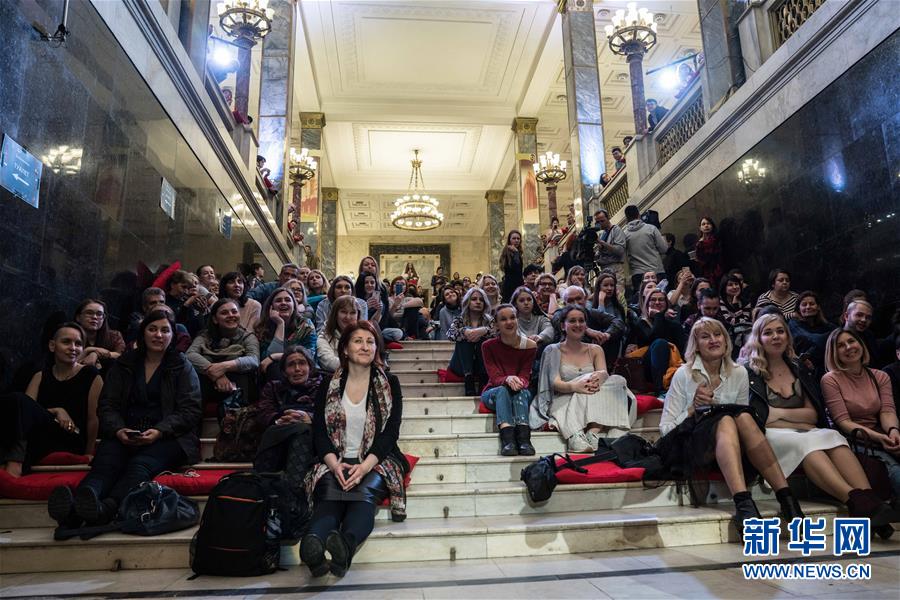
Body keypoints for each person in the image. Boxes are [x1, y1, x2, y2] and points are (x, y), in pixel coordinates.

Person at [46, 310, 201, 527]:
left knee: (139, 465)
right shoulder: (125, 364)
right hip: (125, 431)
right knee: (105, 463)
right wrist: (118, 430)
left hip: (170, 437)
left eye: (165, 330)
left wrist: (159, 431)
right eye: (152, 329)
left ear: (172, 335)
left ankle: (105, 509)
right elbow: (107, 404)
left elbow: (190, 410)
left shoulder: (181, 365)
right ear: (142, 334)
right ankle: (77, 505)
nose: (159, 335)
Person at [743, 314, 900, 528]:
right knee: (808, 445)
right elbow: (761, 418)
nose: (776, 337)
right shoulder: (747, 371)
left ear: (788, 336)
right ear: (758, 338)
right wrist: (794, 420)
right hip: (768, 436)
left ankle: (869, 500)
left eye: (780, 331)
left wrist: (778, 414)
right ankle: (857, 501)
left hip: (798, 430)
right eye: (768, 333)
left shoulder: (797, 367)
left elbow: (811, 415)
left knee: (832, 436)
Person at [657, 318, 803, 533]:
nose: (713, 340)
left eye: (718, 335)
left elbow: (744, 423)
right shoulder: (683, 374)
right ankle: (743, 502)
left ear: (726, 341)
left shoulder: (739, 372)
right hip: (691, 447)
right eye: (705, 336)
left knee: (742, 416)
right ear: (696, 345)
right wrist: (691, 409)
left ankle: (787, 500)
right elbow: (666, 428)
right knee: (726, 418)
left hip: (731, 448)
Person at [300, 322, 408, 577]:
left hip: (375, 459)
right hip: (333, 458)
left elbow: (390, 434)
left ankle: (344, 545)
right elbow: (319, 432)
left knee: (363, 495)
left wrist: (363, 467)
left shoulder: (389, 383)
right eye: (358, 340)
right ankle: (313, 544)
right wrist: (335, 465)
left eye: (370, 341)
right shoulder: (328, 384)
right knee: (329, 496)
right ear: (345, 349)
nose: (365, 346)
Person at [1, 323, 102, 477]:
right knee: (13, 402)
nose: (73, 347)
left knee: (17, 399)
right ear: (52, 346)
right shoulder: (40, 376)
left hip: (72, 436)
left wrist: (88, 453)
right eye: (66, 342)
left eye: (78, 344)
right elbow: (24, 413)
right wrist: (57, 411)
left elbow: (93, 419)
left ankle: (14, 467)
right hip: (44, 436)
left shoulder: (91, 375)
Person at [532, 305, 632, 452]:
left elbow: (603, 375)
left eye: (581, 321)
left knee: (618, 380)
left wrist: (602, 375)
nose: (578, 325)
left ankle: (593, 432)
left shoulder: (595, 349)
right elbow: (555, 383)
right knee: (587, 385)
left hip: (592, 394)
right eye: (572, 321)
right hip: (564, 397)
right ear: (563, 325)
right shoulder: (552, 350)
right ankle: (574, 434)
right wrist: (575, 386)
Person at [822, 329, 900, 498]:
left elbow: (887, 410)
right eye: (841, 345)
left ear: (861, 345)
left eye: (852, 341)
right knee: (895, 473)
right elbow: (844, 422)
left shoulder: (880, 376)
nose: (849, 347)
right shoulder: (830, 379)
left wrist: (893, 431)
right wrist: (879, 438)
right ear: (834, 352)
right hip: (853, 439)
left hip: (881, 434)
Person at [481, 304, 538, 456]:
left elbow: (525, 376)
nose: (509, 322)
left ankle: (524, 439)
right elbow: (494, 378)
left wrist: (517, 382)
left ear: (517, 319)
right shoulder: (488, 346)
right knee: (502, 390)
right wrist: (508, 378)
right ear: (496, 324)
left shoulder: (530, 345)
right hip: (494, 392)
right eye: (503, 319)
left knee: (520, 392)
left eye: (512, 317)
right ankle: (508, 440)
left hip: (520, 390)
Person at [186, 298, 260, 408]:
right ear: (215, 319)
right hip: (208, 382)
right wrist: (216, 373)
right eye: (224, 313)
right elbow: (189, 355)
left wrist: (224, 366)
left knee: (243, 372)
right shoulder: (205, 336)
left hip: (237, 384)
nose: (231, 315)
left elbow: (253, 360)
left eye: (234, 311)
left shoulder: (247, 336)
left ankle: (236, 420)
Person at [625, 289, 686, 392]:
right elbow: (651, 339)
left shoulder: (675, 326)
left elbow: (680, 349)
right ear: (647, 303)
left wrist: (659, 316)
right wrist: (658, 316)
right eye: (653, 300)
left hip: (671, 365)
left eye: (661, 300)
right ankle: (660, 390)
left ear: (666, 304)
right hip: (647, 368)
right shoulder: (641, 324)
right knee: (660, 343)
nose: (657, 302)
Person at [551, 286, 626, 366]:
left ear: (585, 299)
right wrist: (587, 330)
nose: (575, 303)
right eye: (570, 300)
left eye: (578, 299)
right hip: (567, 360)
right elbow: (557, 320)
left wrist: (606, 335)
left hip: (594, 359)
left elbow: (618, 322)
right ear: (565, 303)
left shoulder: (592, 313)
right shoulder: (560, 313)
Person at [256, 287, 317, 381]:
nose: (283, 303)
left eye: (288, 300)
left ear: (294, 305)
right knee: (274, 366)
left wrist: (276, 356)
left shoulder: (305, 325)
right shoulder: (263, 328)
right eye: (278, 300)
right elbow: (266, 358)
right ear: (271, 307)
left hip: (303, 369)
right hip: (274, 372)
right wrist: (280, 324)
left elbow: (309, 355)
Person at [447, 288, 495, 396]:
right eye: (474, 299)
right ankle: (468, 380)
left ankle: (483, 379)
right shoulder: (460, 319)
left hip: (482, 365)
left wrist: (484, 330)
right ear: (468, 302)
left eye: (481, 300)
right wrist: (465, 331)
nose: (478, 302)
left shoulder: (489, 320)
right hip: (461, 365)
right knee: (465, 334)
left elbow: (498, 334)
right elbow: (450, 335)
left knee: (481, 336)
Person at [788, 291, 837, 378]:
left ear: (818, 307)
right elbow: (813, 338)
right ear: (799, 309)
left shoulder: (826, 326)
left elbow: (839, 333)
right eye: (804, 304)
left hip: (825, 369)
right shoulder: (794, 323)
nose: (808, 307)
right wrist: (827, 339)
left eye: (811, 304)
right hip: (801, 370)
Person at [623, 205, 668, 292]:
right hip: (656, 271)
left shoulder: (624, 234)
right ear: (638, 215)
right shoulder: (651, 229)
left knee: (642, 301)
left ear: (626, 217)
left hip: (638, 274)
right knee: (661, 298)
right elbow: (664, 249)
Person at [73, 299, 126, 371]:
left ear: (104, 318)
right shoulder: (70, 335)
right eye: (89, 313)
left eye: (99, 314)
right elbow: (68, 363)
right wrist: (88, 350)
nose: (94, 317)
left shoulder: (114, 336)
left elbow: (122, 356)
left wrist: (96, 354)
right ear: (78, 317)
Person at [354, 270, 403, 343]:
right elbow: (356, 319)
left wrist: (379, 310)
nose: (370, 285)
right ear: (362, 284)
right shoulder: (356, 299)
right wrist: (365, 307)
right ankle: (382, 343)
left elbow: (376, 322)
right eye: (366, 282)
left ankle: (378, 339)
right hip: (359, 327)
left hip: (376, 329)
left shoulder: (379, 299)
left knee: (398, 333)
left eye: (372, 282)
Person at [317, 296, 360, 373]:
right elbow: (329, 362)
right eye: (343, 312)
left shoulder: (365, 335)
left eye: (353, 313)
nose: (348, 317)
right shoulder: (323, 337)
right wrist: (361, 365)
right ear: (335, 314)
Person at [593, 209, 627, 305]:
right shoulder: (603, 234)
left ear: (608, 219)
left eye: (602, 221)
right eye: (597, 222)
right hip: (605, 268)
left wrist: (602, 243)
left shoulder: (616, 230)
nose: (600, 224)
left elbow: (620, 251)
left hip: (615, 268)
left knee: (618, 296)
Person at [843, 299, 886, 368]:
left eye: (868, 317)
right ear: (846, 316)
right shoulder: (836, 338)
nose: (864, 320)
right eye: (859, 315)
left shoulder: (869, 335)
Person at [720, 274, 753, 358]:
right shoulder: (720, 301)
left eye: (736, 284)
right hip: (726, 333)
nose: (734, 287)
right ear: (724, 287)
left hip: (743, 334)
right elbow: (729, 321)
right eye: (730, 285)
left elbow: (743, 322)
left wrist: (735, 305)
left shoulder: (745, 302)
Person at [165, 270, 207, 336]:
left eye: (188, 288)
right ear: (172, 285)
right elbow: (177, 323)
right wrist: (186, 305)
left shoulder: (186, 300)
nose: (186, 291)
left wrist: (200, 312)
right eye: (183, 287)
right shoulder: (164, 301)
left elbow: (197, 327)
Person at [694, 217, 724, 285]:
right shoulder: (699, 244)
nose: (706, 226)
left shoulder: (717, 239)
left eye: (708, 223)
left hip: (720, 271)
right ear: (700, 228)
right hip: (707, 275)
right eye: (703, 224)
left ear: (712, 226)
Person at [500, 230, 524, 302]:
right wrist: (516, 253)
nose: (516, 240)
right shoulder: (507, 253)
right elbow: (515, 268)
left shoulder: (518, 252)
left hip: (518, 285)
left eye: (518, 238)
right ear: (509, 240)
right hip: (510, 287)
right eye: (514, 238)